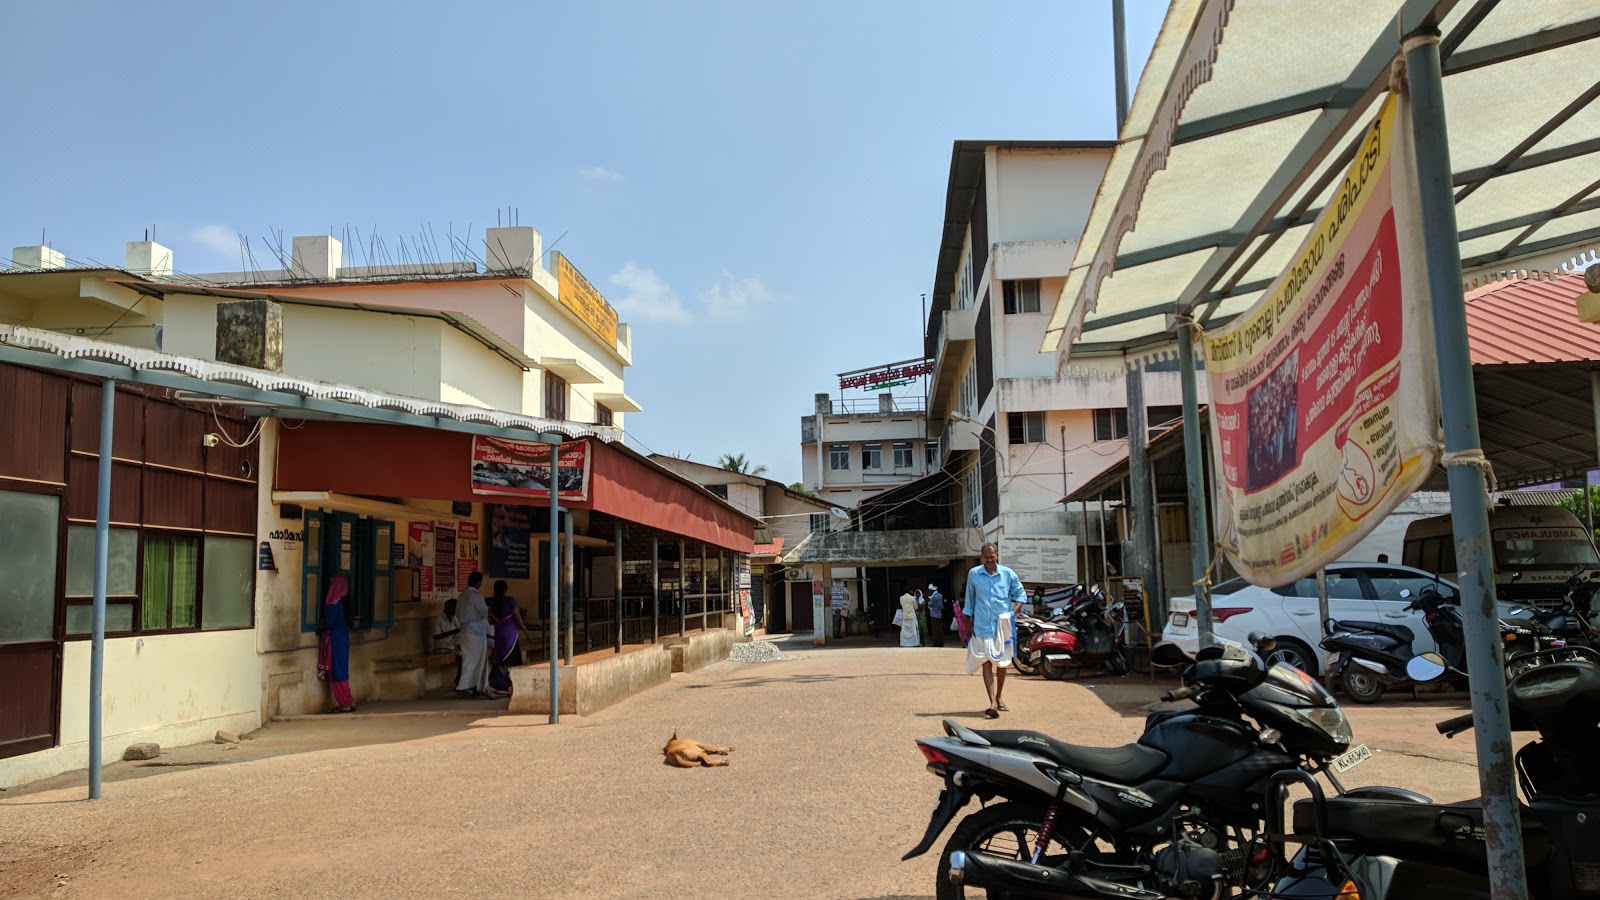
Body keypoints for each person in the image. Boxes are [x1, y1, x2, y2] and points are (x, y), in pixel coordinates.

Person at [964, 542, 1025, 718]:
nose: (989, 560)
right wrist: (967, 625)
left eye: (992, 557)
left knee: (1002, 663)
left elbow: (1021, 595)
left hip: (1002, 627)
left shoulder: (1008, 574)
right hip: (982, 626)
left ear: (997, 555)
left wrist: (1011, 613)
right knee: (986, 662)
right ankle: (991, 702)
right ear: (982, 557)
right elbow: (969, 601)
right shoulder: (974, 574)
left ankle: (999, 697)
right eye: (986, 557)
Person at [317, 575, 355, 713]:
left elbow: (328, 623)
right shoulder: (345, 603)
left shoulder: (335, 604)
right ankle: (349, 700)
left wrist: (320, 624)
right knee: (343, 671)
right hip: (343, 640)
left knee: (336, 673)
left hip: (334, 640)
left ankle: (344, 703)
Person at [485, 580, 527, 699]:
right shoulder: (511, 601)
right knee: (512, 659)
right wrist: (524, 629)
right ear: (506, 589)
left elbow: (490, 621)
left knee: (500, 658)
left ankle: (497, 684)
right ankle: (506, 686)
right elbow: (517, 617)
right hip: (510, 634)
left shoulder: (493, 603)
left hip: (499, 633)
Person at [455, 571, 489, 697]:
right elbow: (484, 612)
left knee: (468, 658)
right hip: (476, 632)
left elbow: (457, 613)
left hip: (464, 630)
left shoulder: (462, 595)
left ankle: (471, 685)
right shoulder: (476, 596)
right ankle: (464, 686)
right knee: (473, 660)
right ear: (478, 583)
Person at [433, 597, 462, 686]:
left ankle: (459, 678)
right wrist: (452, 632)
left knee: (464, 652)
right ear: (448, 609)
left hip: (452, 644)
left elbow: (460, 628)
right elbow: (435, 637)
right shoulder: (439, 619)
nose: (454, 612)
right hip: (442, 646)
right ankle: (459, 679)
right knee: (461, 655)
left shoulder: (453, 617)